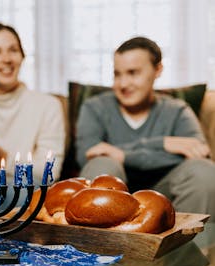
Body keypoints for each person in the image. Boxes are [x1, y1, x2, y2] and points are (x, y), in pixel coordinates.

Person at [76, 36, 215, 218]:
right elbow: (87, 155)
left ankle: (187, 246)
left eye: (133, 72)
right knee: (102, 163)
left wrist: (124, 155)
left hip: (167, 198)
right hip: (113, 199)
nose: (123, 84)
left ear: (158, 70)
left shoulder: (177, 110)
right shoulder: (94, 107)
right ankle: (97, 246)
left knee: (204, 171)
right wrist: (165, 145)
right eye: (117, 74)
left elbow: (200, 152)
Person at [0, 23, 66, 187]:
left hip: (26, 195)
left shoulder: (49, 106)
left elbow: (49, 174)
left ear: (22, 57)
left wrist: (4, 159)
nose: (6, 59)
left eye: (13, 50)